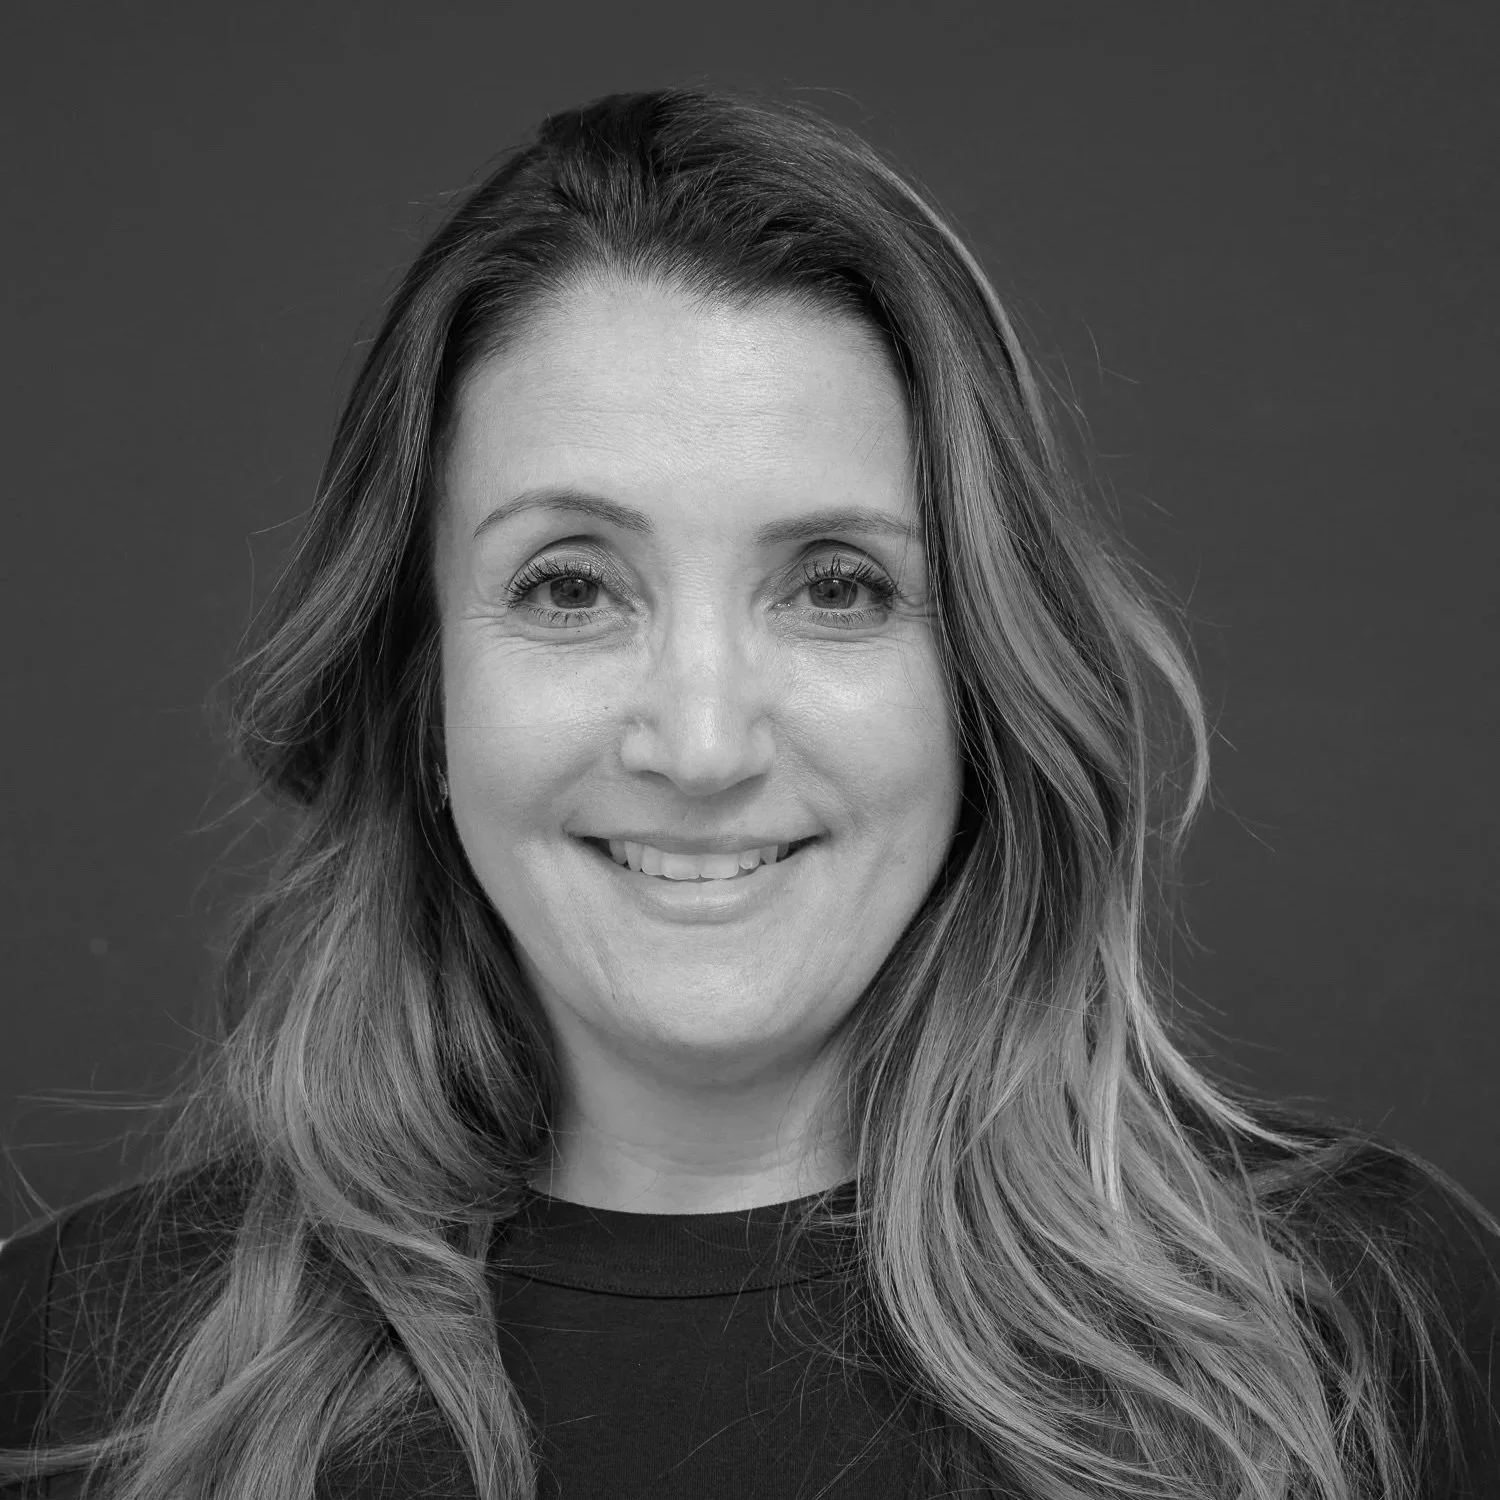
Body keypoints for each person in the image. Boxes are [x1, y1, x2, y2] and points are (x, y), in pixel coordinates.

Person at [0, 86, 1496, 1500]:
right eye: (571, 585)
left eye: (837, 586)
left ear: (982, 673)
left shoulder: (1353, 1321)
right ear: (421, 685)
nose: (704, 744)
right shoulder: (78, 1366)